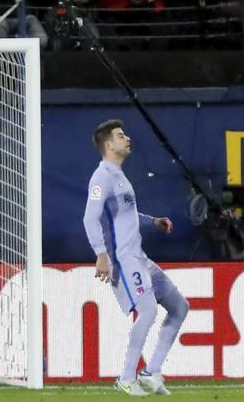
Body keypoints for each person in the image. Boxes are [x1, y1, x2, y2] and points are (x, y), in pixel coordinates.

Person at [80, 119, 186, 396]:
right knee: (148, 310)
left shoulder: (119, 176)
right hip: (123, 260)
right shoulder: (101, 176)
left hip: (139, 257)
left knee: (179, 307)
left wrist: (153, 221)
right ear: (108, 145)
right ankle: (126, 378)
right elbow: (90, 217)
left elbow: (125, 216)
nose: (127, 138)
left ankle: (151, 373)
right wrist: (101, 255)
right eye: (120, 135)